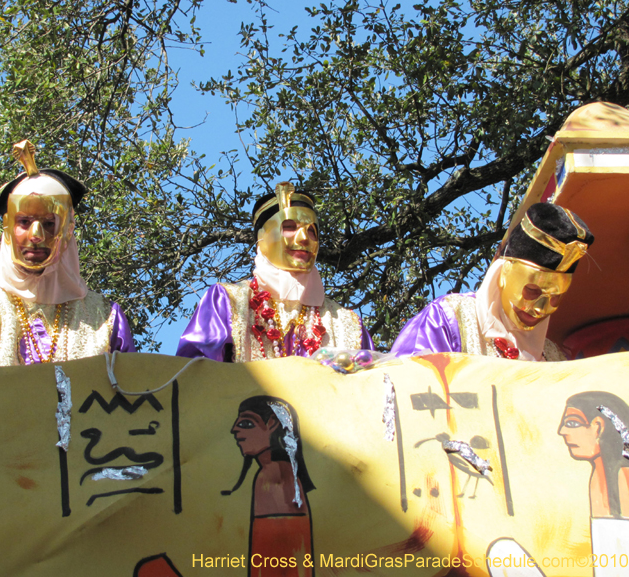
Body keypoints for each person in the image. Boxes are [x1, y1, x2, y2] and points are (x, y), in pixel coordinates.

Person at [0, 140, 135, 365]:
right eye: (25, 221)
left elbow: (131, 392)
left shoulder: (105, 317)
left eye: (49, 223)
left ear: (68, 230)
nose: (35, 236)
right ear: (8, 227)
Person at [176, 182, 372, 362]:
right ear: (262, 237)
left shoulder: (347, 323)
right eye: (289, 227)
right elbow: (194, 378)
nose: (305, 238)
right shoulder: (227, 302)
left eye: (312, 230)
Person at [391, 203, 594, 361]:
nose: (540, 309)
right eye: (532, 289)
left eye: (555, 296)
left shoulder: (553, 359)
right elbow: (408, 391)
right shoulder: (447, 321)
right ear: (504, 272)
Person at [223, 396, 314, 577]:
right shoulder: (277, 472)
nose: (234, 429)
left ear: (272, 423)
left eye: (247, 423)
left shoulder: (273, 474)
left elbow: (275, 560)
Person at [558, 392, 629, 568]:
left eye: (572, 423)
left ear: (598, 427)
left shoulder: (625, 476)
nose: (562, 431)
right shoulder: (598, 478)